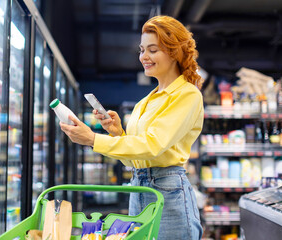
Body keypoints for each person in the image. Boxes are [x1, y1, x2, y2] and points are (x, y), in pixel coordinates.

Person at [60, 15, 204, 240]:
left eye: (153, 50)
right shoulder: (144, 102)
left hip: (168, 191)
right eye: (142, 50)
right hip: (138, 186)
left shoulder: (187, 95)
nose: (144, 57)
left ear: (174, 52)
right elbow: (135, 159)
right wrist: (117, 133)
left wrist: (92, 139)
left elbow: (152, 145)